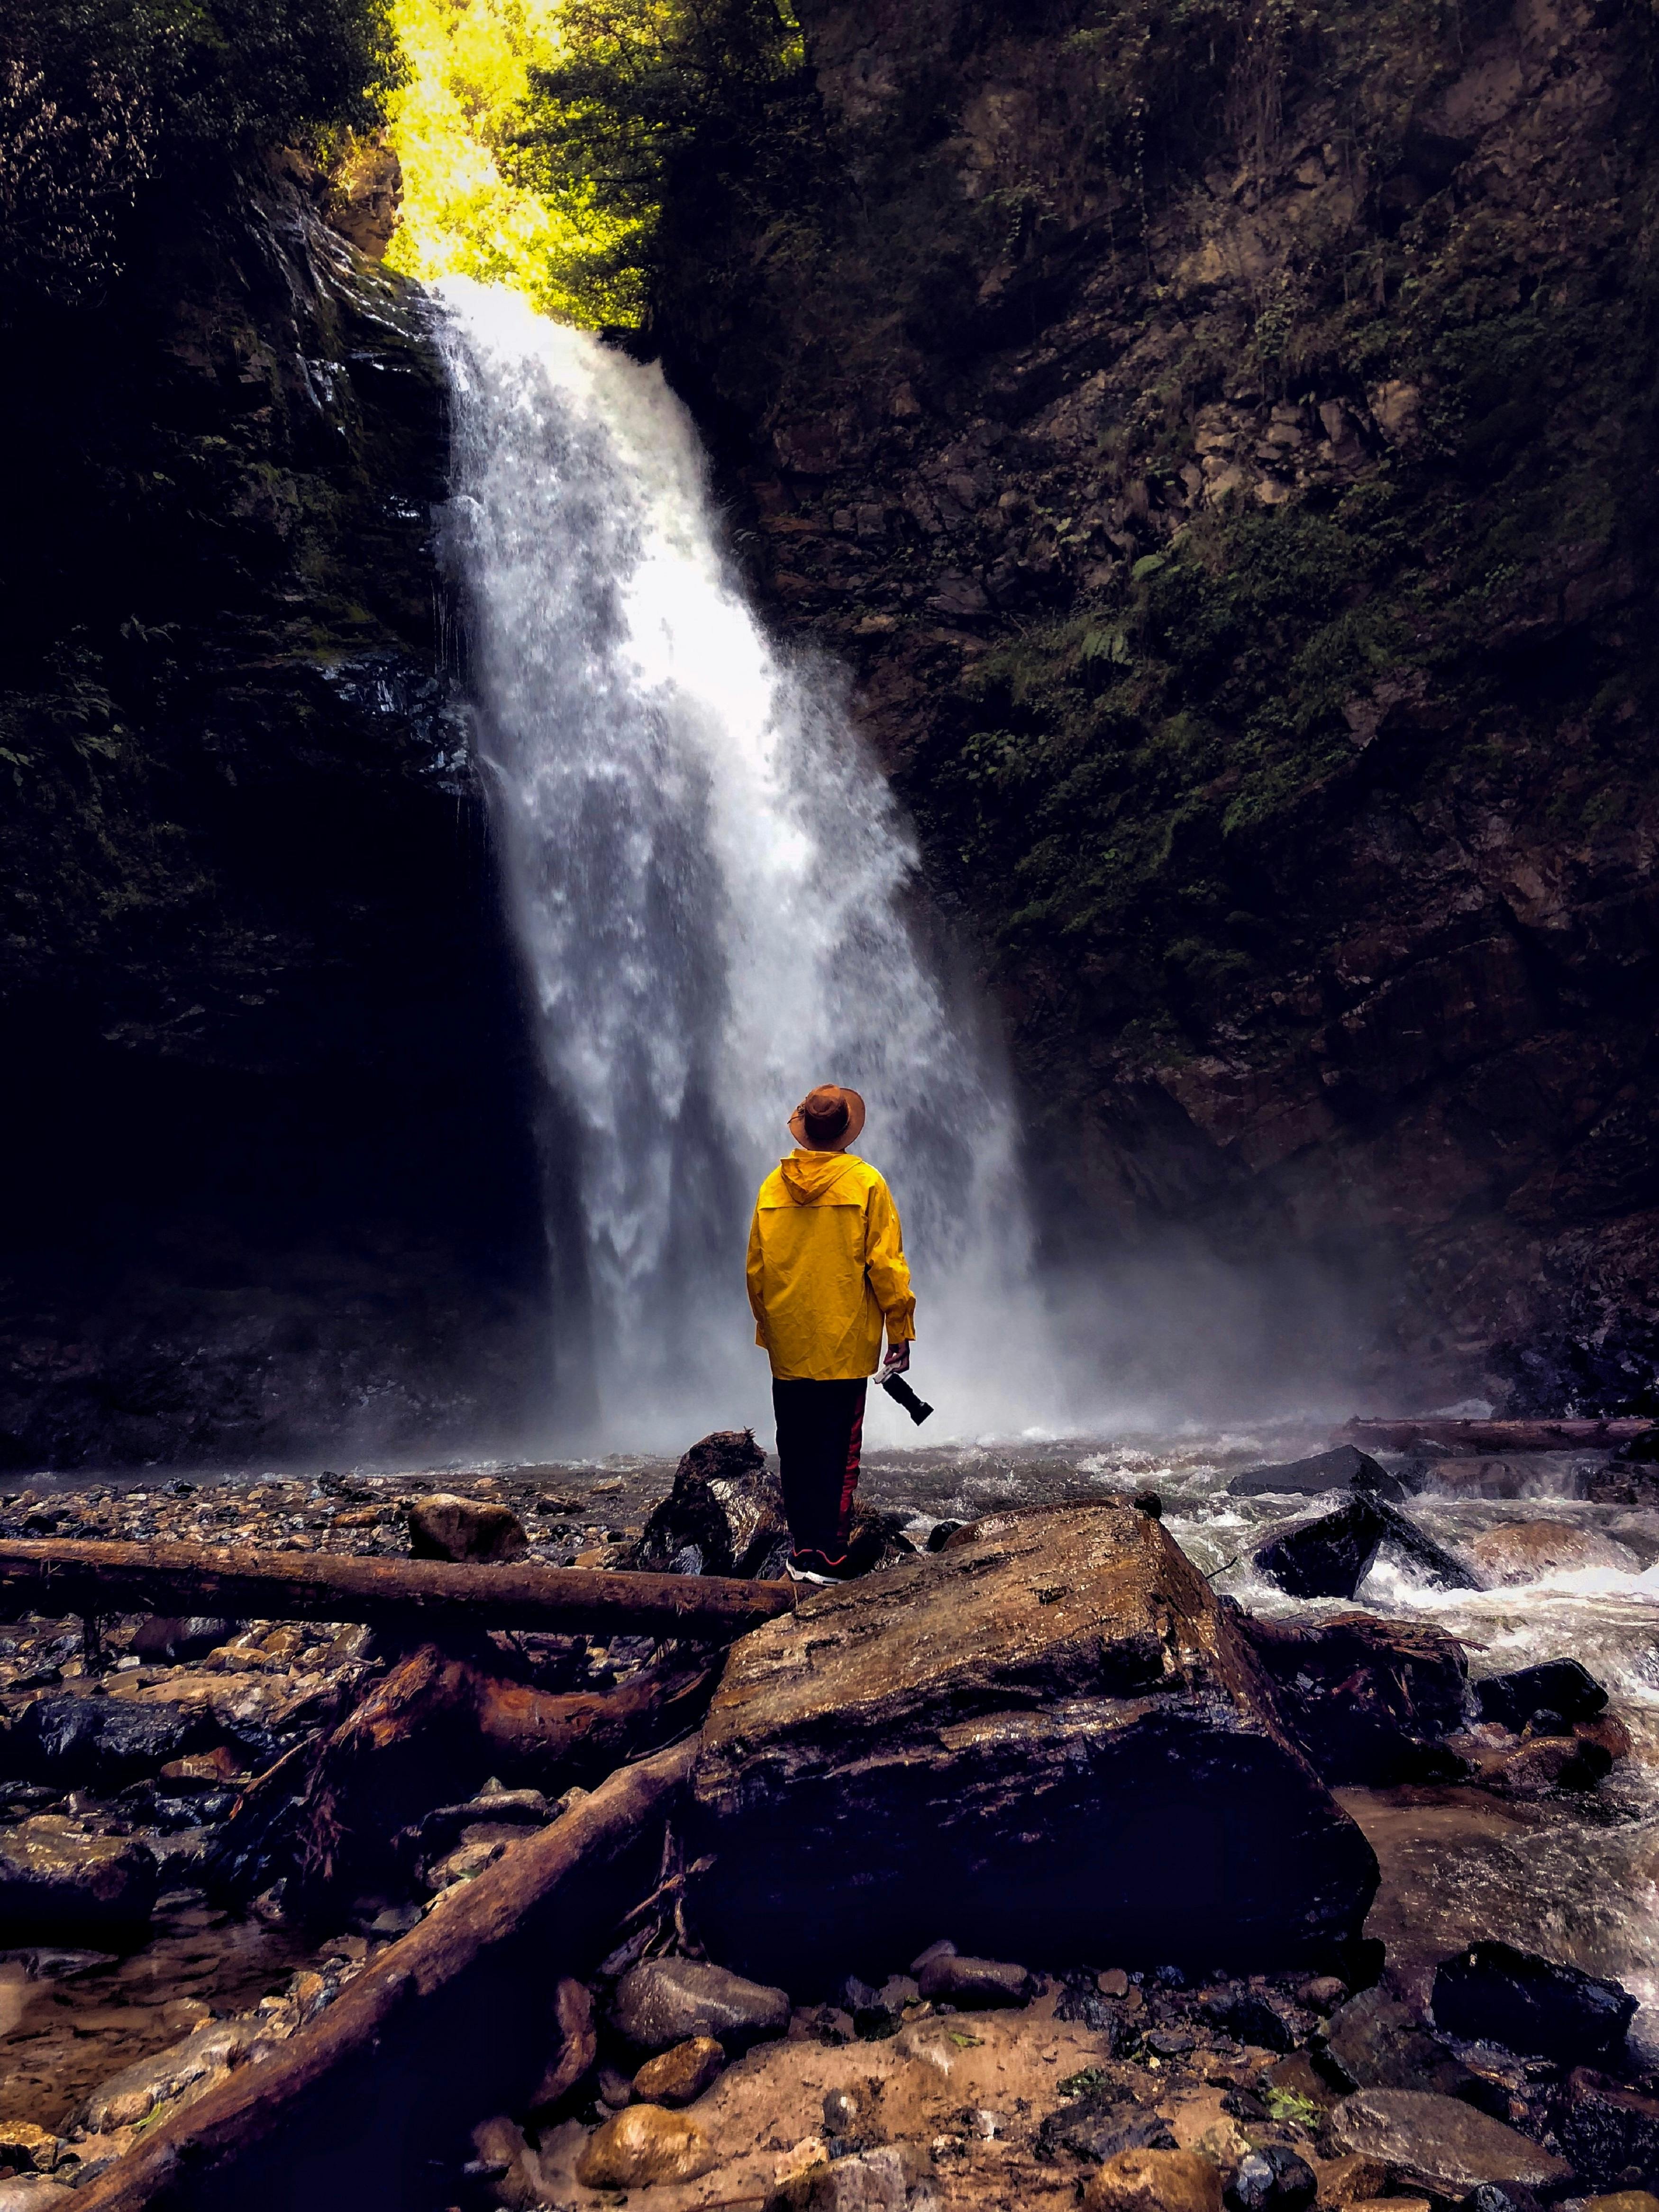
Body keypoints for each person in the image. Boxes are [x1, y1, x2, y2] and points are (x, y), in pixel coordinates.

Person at [746, 1083, 915, 1585]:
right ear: (845, 1132)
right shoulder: (865, 1183)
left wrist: (772, 1329)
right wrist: (899, 1327)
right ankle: (831, 1557)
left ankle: (802, 1551)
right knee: (838, 1453)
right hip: (843, 1342)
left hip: (790, 1343)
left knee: (795, 1447)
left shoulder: (771, 1188)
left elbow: (755, 1272)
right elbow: (886, 1265)